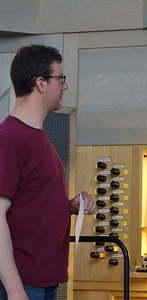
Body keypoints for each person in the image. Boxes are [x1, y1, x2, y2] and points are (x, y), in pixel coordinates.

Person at [0, 45, 96, 300]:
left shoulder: (39, 137)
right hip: (23, 284)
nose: (64, 86)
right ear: (41, 83)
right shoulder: (11, 137)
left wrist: (71, 205)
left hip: (44, 281)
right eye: (60, 79)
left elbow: (30, 203)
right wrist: (14, 290)